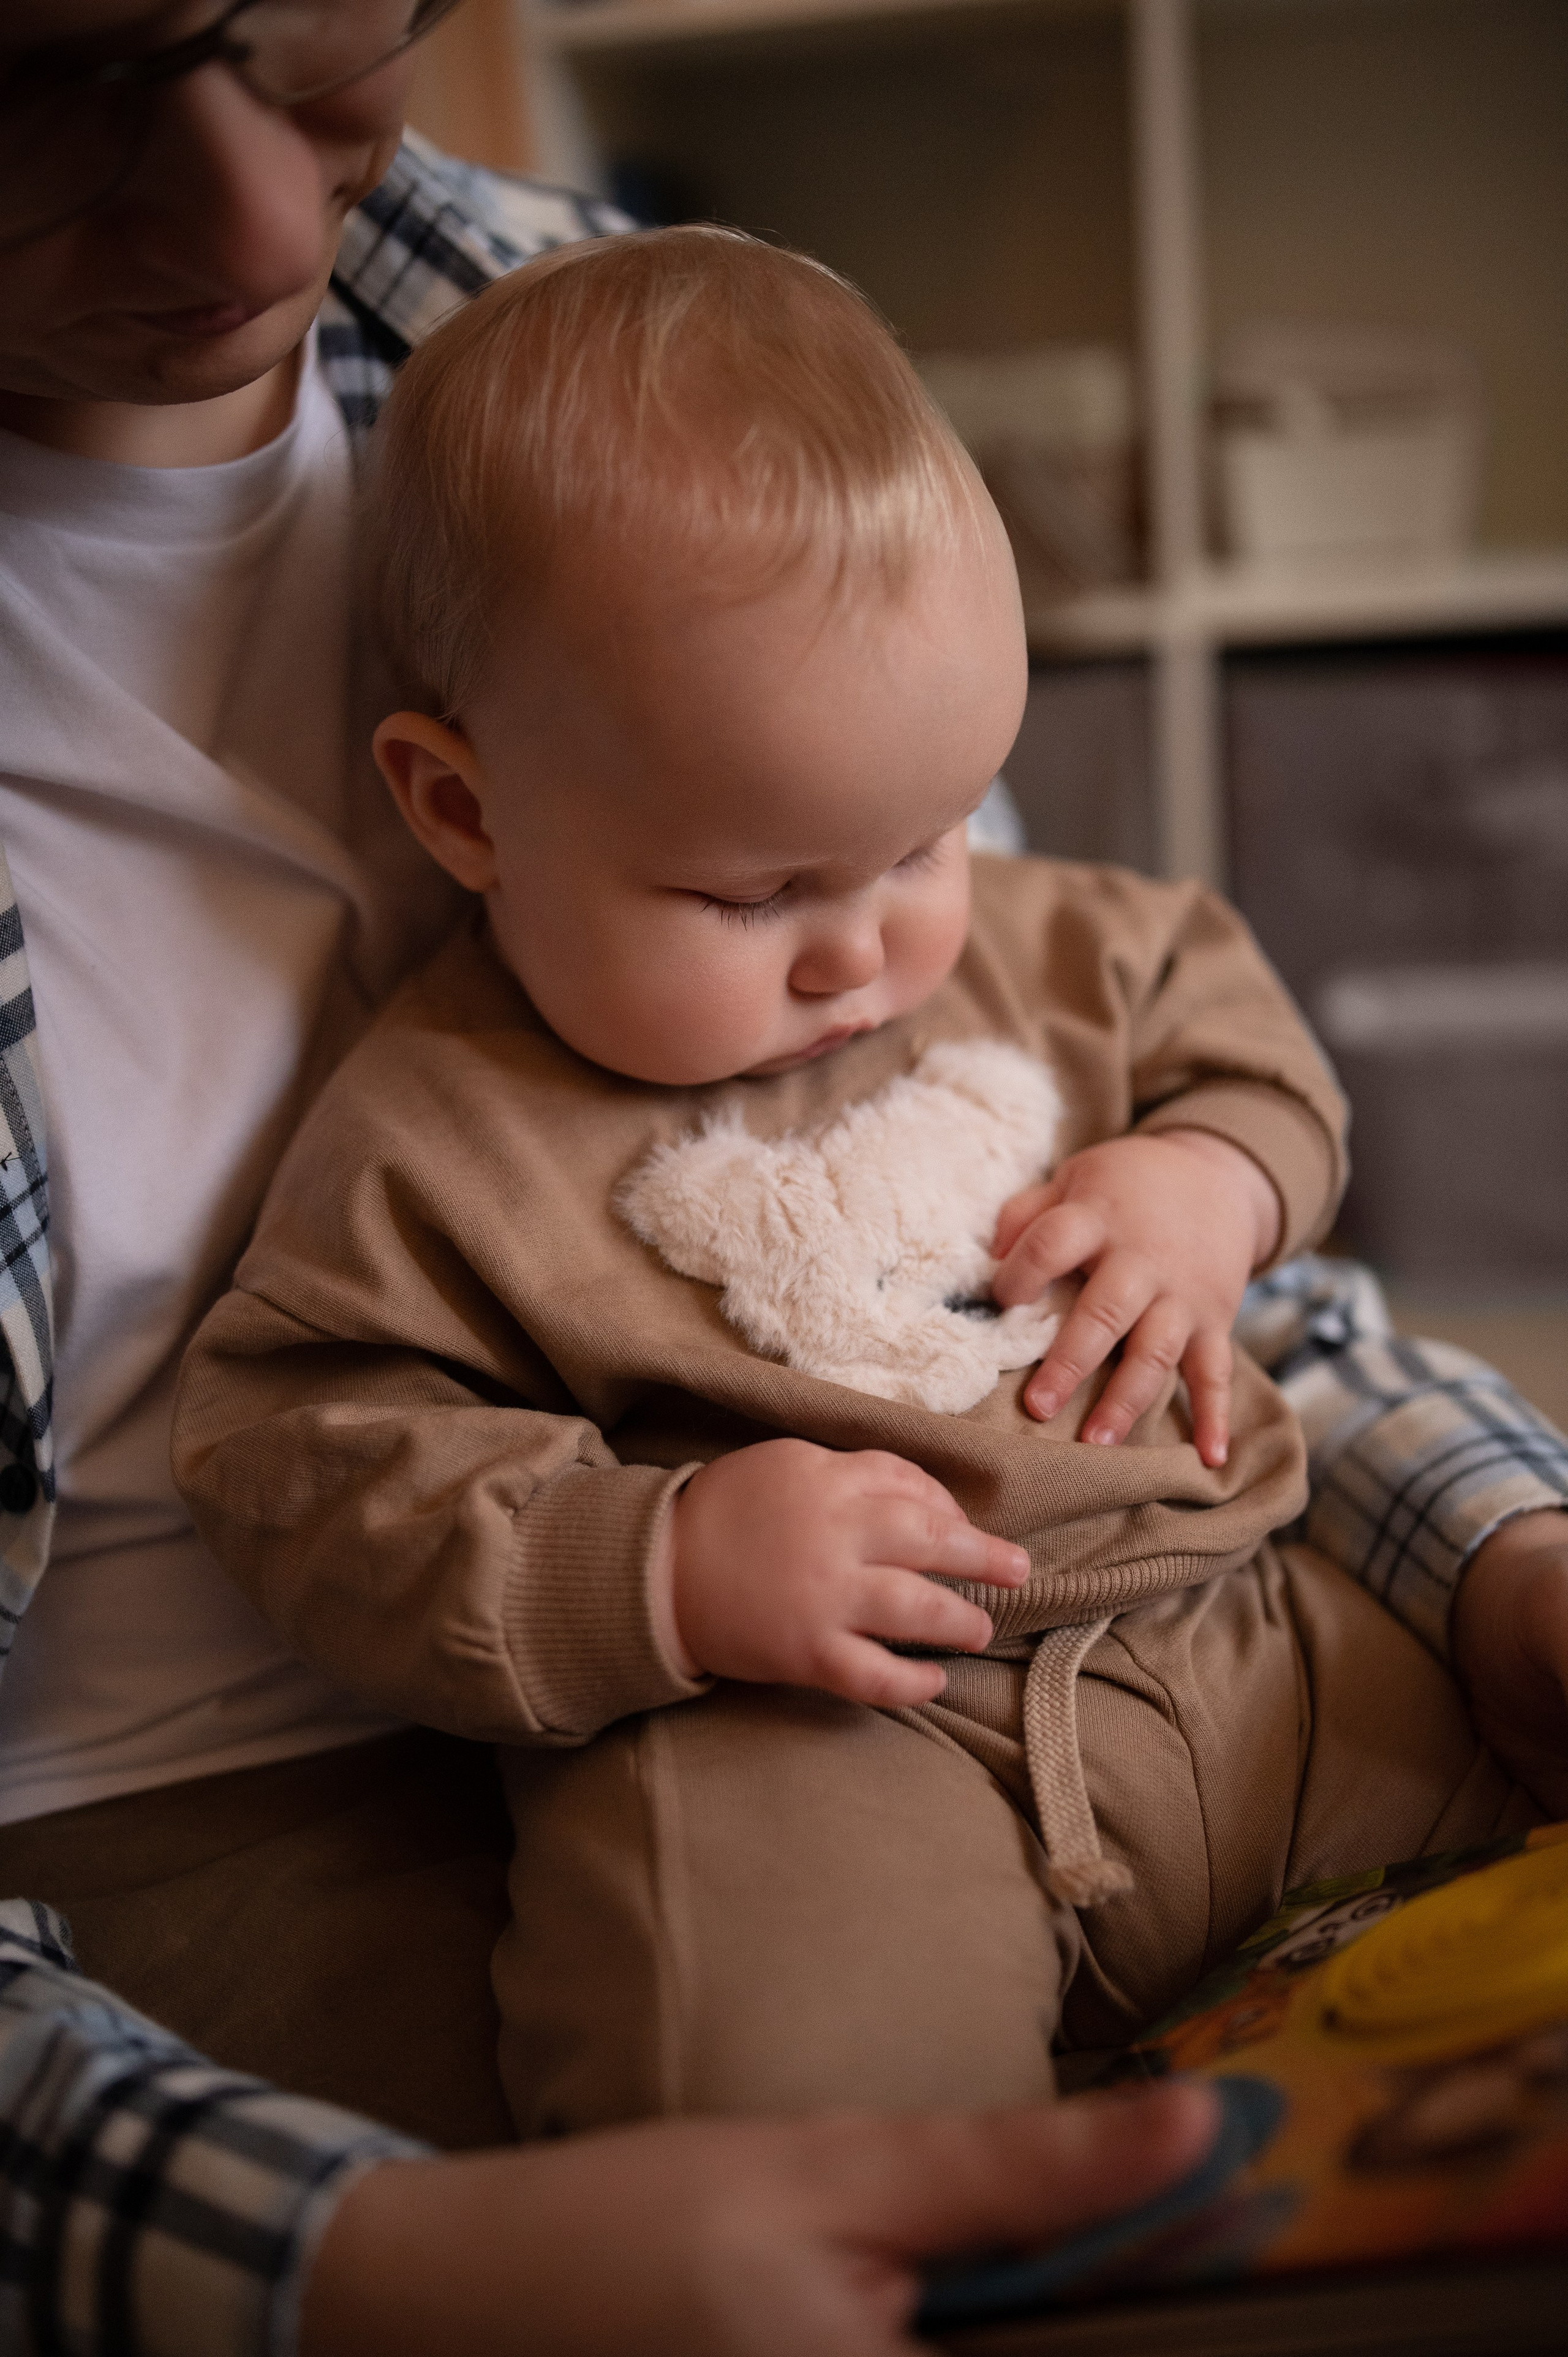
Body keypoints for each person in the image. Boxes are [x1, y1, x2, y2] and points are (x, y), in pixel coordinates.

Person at [0, 0, 1564, 2344]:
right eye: (755, 896)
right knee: (757, 2016)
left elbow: (1230, 1047)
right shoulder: (433, 1137)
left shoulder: (964, 861)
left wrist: (1218, 1191)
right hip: (814, 1728)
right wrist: (653, 1564)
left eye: (926, 839)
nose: (873, 952)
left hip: (1230, 1629)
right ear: (461, 814)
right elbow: (305, 1454)